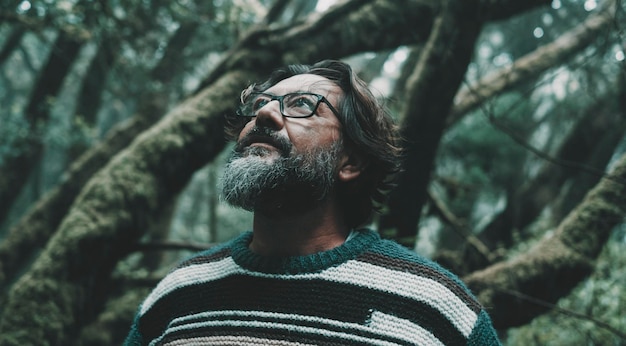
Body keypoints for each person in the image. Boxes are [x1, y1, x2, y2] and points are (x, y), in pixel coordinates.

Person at [124, 60, 501, 345]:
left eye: (303, 105)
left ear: (350, 161)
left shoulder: (433, 307)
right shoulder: (177, 293)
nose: (265, 113)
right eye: (260, 103)